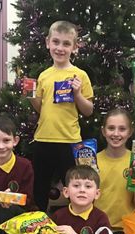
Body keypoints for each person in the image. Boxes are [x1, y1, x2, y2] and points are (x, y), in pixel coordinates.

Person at [29, 20, 94, 212]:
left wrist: (78, 94)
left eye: (66, 44)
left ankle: (75, 223)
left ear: (75, 47)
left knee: (74, 186)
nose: (60, 48)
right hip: (43, 138)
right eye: (56, 42)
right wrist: (30, 96)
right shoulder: (43, 76)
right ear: (48, 42)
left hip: (69, 140)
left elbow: (88, 110)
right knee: (40, 185)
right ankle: (39, 225)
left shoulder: (80, 75)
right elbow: (42, 109)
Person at [94, 108, 135, 234]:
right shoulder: (93, 162)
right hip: (97, 227)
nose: (116, 134)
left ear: (130, 132)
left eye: (122, 129)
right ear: (103, 131)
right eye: (111, 128)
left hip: (124, 230)